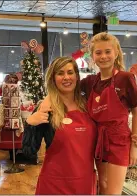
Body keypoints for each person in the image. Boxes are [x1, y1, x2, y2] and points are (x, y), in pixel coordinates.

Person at [35, 32, 137, 195]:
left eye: (108, 51)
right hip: (99, 139)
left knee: (113, 191)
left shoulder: (126, 78)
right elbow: (64, 87)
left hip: (119, 140)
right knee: (103, 184)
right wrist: (44, 103)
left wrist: (135, 145)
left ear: (116, 53)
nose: (103, 56)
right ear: (92, 56)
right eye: (98, 52)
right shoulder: (90, 82)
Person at [26, 57, 97, 195]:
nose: (66, 77)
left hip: (85, 184)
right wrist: (30, 124)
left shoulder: (88, 105)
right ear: (53, 78)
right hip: (54, 185)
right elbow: (29, 152)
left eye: (70, 72)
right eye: (60, 73)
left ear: (77, 76)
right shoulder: (46, 108)